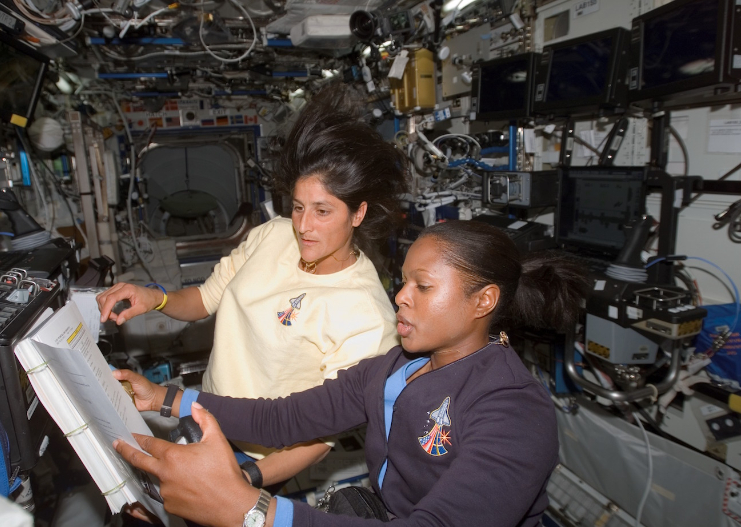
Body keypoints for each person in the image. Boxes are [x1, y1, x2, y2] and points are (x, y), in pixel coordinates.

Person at [113, 220, 591, 527]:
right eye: (403, 281)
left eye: (422, 287)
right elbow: (283, 420)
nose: (401, 297)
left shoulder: (513, 410)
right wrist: (166, 399)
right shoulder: (394, 369)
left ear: (483, 301)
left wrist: (254, 511)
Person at [96, 84, 408, 486]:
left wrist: (246, 479)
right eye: (298, 207)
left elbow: (321, 435)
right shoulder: (273, 234)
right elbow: (205, 299)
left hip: (261, 455)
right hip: (200, 414)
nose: (304, 226)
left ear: (358, 213)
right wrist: (154, 298)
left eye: (323, 211)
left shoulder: (366, 316)